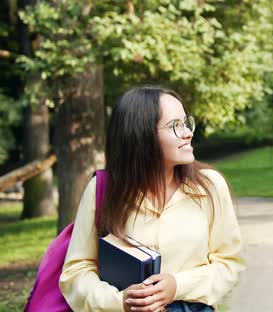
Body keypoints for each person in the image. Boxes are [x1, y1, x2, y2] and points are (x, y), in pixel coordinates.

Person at [59, 86, 244, 312]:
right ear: (141, 135)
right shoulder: (103, 189)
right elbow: (77, 272)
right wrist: (120, 302)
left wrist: (177, 286)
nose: (188, 133)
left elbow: (229, 264)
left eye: (186, 123)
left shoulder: (211, 186)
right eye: (175, 126)